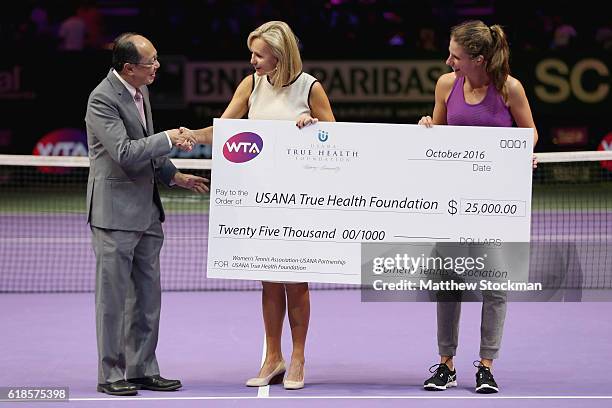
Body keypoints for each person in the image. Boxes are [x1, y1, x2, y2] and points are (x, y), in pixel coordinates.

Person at [188, 21, 335, 390]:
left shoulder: (310, 87)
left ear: (279, 56)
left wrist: (314, 125)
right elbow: (224, 126)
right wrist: (189, 135)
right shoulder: (250, 84)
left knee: (296, 282)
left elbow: (335, 137)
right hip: (258, 199)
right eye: (252, 53)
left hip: (299, 200)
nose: (252, 60)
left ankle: (298, 357)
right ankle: (274, 357)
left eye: (258, 54)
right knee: (269, 281)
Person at [418, 20, 538, 394]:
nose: (449, 61)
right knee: (448, 284)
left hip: (494, 204)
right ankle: (446, 365)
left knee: (495, 285)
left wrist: (525, 151)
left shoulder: (508, 89)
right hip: (452, 203)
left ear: (478, 59)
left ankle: (485, 365)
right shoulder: (445, 85)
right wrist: (427, 125)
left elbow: (529, 130)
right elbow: (437, 135)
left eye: (455, 56)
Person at [85, 32, 208, 396]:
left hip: (147, 215)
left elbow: (146, 147)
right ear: (128, 68)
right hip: (115, 216)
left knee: (147, 298)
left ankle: (141, 369)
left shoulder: (141, 92)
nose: (156, 66)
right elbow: (124, 152)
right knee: (113, 301)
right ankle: (110, 374)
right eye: (150, 62)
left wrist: (175, 175)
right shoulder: (102, 99)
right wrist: (170, 137)